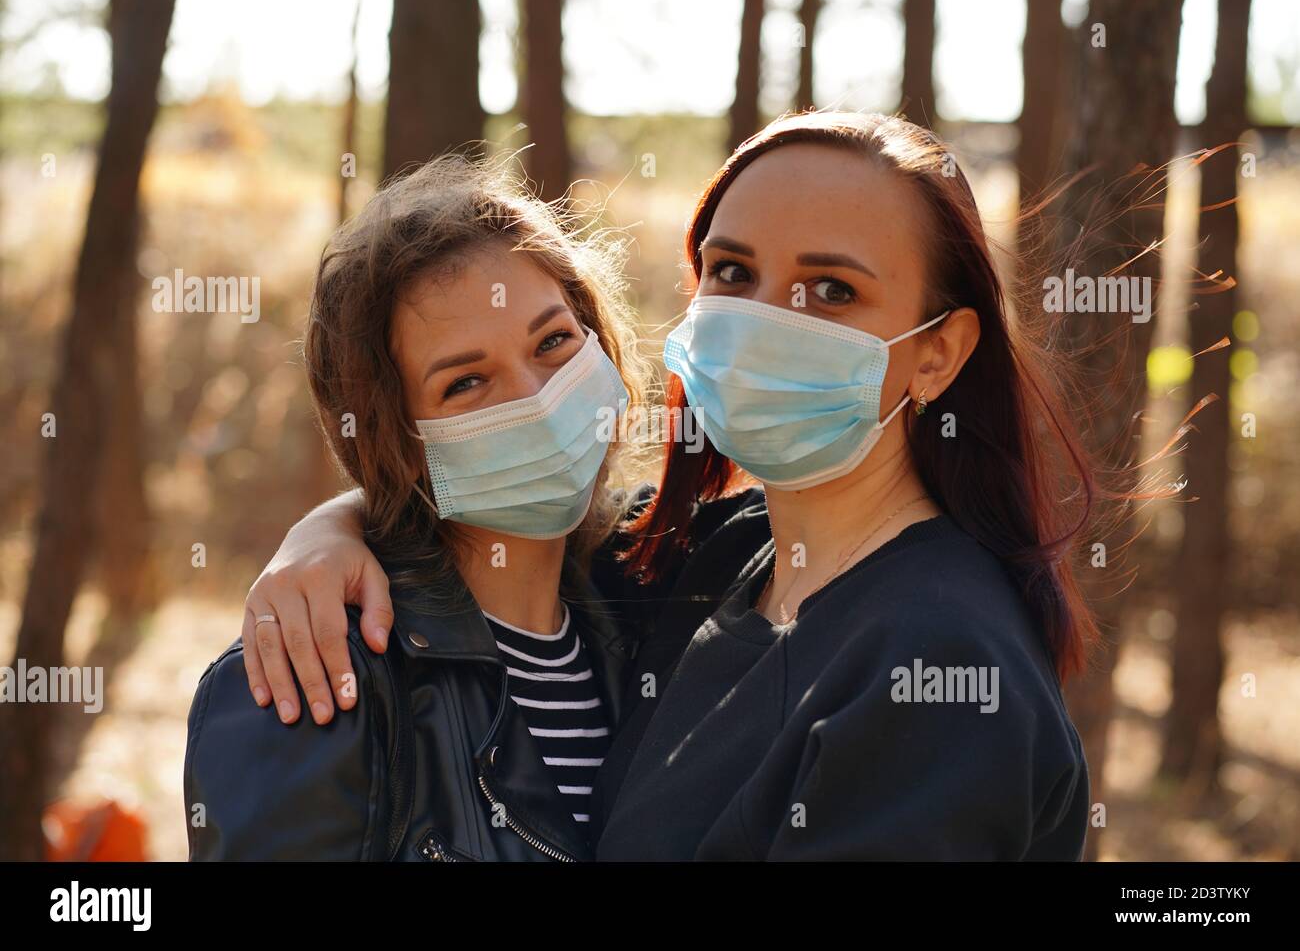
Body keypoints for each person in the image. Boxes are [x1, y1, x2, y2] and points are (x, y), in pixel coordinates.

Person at [234, 112, 1095, 860]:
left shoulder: (938, 660)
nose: (765, 321)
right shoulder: (708, 561)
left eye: (831, 290)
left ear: (938, 352)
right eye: (732, 273)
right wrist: (333, 531)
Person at [185, 153, 660, 860]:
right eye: (466, 383)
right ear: (400, 442)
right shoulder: (318, 672)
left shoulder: (656, 594)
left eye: (554, 341)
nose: (536, 396)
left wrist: (333, 519)